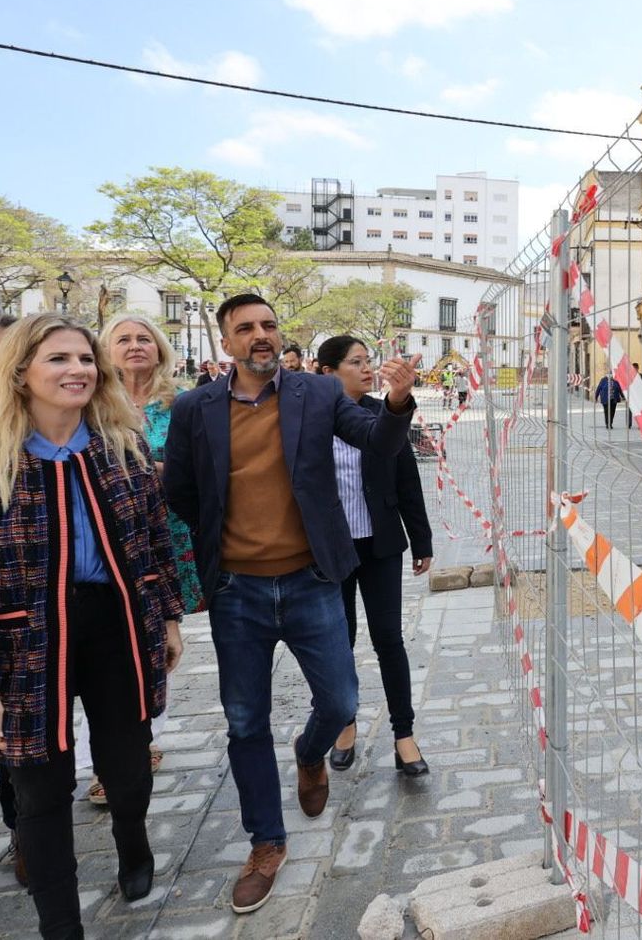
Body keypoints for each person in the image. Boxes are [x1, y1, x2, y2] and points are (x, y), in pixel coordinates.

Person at [163, 292, 419, 915]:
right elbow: (181, 491)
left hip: (311, 580)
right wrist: (228, 543)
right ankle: (266, 843)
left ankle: (309, 754)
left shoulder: (318, 393)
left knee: (341, 701)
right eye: (246, 327)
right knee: (245, 721)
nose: (261, 335)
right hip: (237, 591)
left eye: (270, 325)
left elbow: (376, 441)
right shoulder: (194, 408)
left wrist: (396, 401)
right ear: (226, 342)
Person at [0, 313, 185, 940]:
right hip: (24, 641)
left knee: (127, 764)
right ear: (20, 374)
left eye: (85, 359)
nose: (78, 370)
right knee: (40, 788)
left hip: (118, 626)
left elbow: (156, 542)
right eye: (59, 359)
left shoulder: (122, 450)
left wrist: (168, 616)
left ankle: (132, 840)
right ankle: (60, 922)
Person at [78, 314, 203, 808]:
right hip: (110, 539)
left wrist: (153, 470)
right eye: (123, 339)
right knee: (110, 642)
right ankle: (109, 753)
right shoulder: (91, 402)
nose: (135, 346)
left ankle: (143, 737)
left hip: (171, 533)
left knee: (157, 639)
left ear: (160, 348)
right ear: (105, 350)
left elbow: (203, 465)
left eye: (144, 338)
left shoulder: (183, 403)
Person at [313, 337, 434, 777]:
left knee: (389, 640)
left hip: (380, 545)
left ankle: (404, 734)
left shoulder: (384, 416)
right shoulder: (308, 421)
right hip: (331, 551)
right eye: (355, 362)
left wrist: (421, 541)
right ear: (327, 372)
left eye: (369, 361)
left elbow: (407, 481)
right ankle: (345, 723)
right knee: (338, 642)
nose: (367, 369)